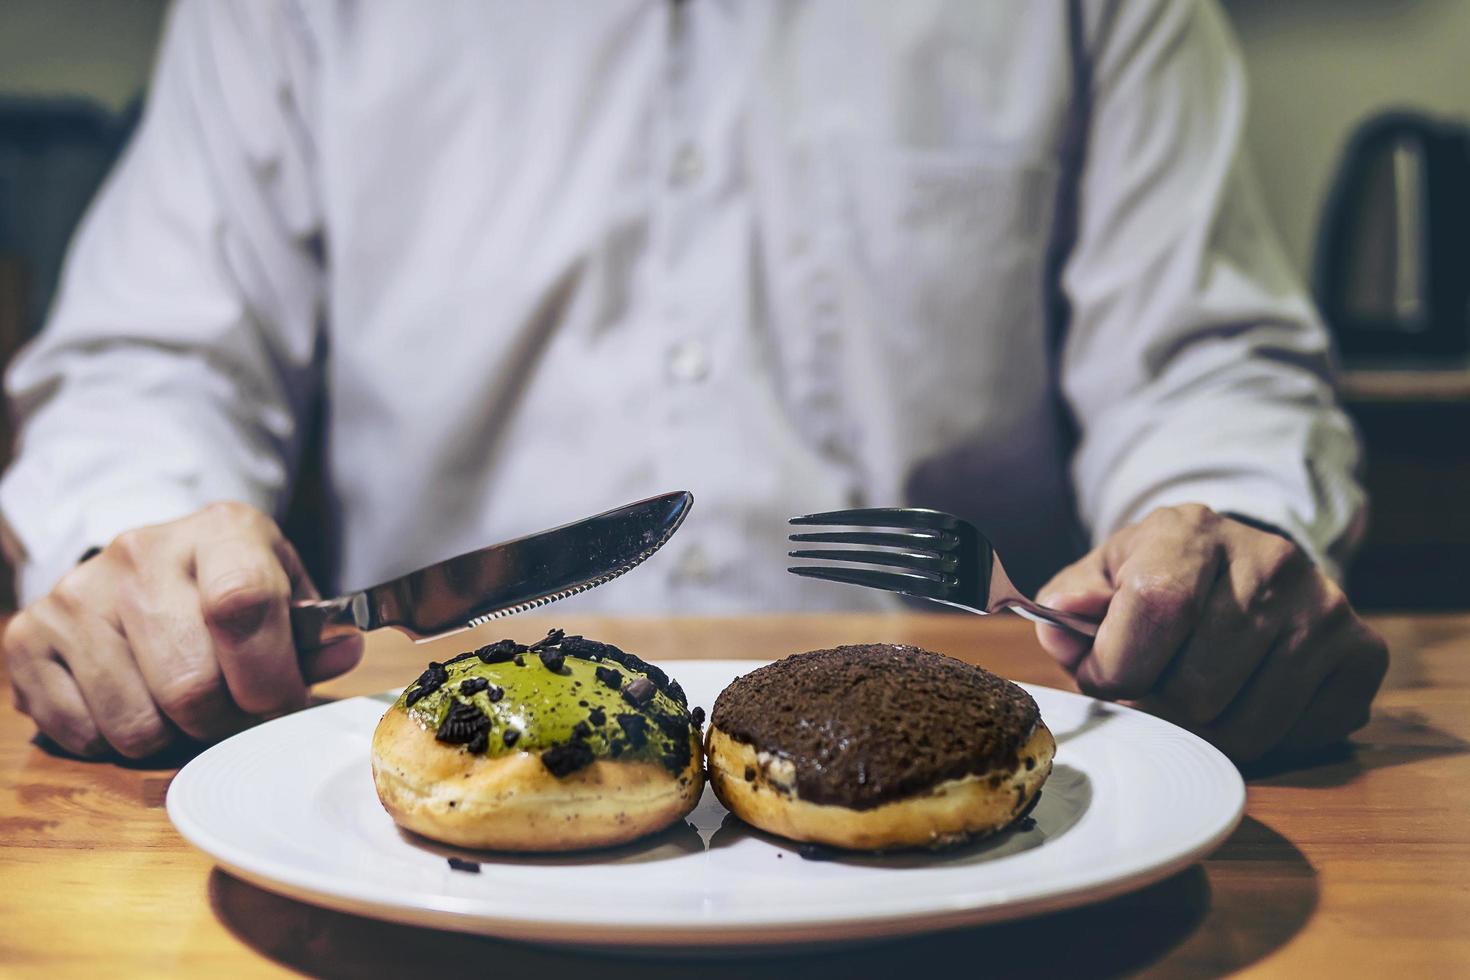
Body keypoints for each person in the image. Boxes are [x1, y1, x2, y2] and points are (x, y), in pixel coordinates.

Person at [0, 0, 1386, 765]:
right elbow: (149, 357)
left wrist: (1223, 526)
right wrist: (149, 552)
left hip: (980, 799)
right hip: (415, 818)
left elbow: (1202, 359)